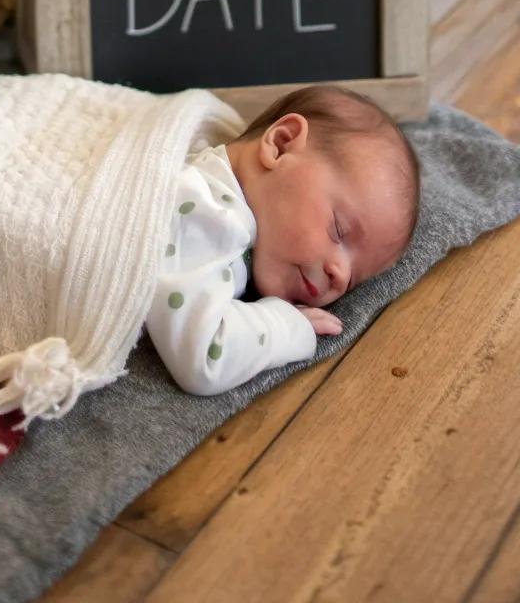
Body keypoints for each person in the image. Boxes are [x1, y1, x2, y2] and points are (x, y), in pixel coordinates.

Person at [147, 84, 420, 394]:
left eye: (354, 279)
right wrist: (284, 325)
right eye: (339, 231)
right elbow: (205, 356)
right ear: (281, 144)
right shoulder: (207, 210)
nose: (340, 275)